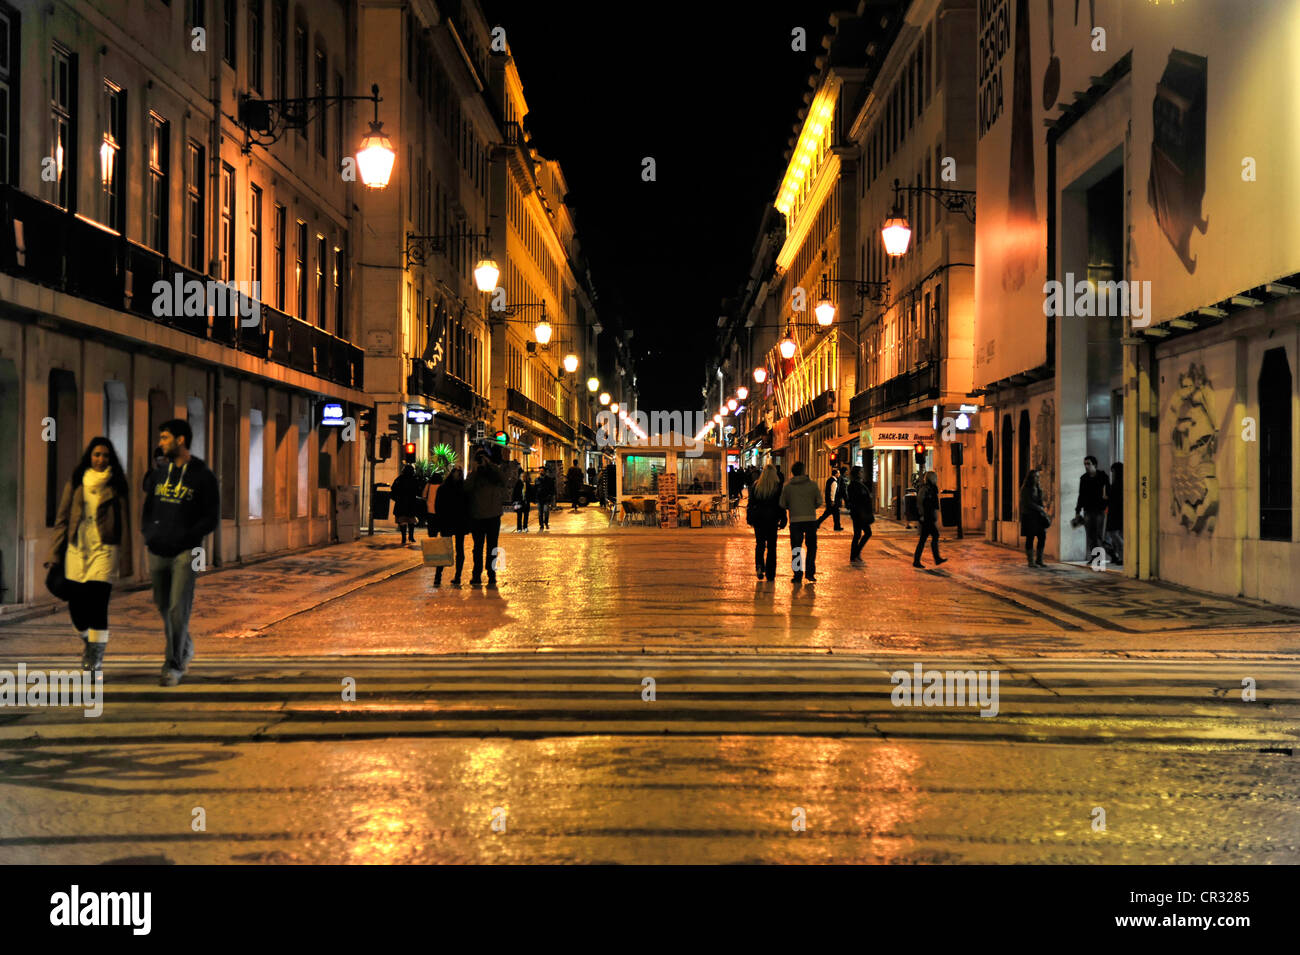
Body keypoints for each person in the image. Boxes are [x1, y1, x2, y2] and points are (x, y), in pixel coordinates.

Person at [141, 418, 220, 687]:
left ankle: (173, 665)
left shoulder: (202, 476)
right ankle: (184, 645)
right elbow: (149, 506)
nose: (160, 442)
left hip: (187, 552)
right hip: (157, 549)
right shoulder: (160, 473)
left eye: (164, 437)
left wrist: (188, 536)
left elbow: (211, 517)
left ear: (180, 440)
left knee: (177, 608)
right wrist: (149, 533)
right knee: (164, 606)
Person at [46, 437, 132, 672]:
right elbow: (62, 520)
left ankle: (95, 656)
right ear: (89, 457)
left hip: (105, 550)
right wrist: (55, 553)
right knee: (77, 608)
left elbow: (125, 524)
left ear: (110, 458)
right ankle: (88, 640)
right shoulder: (76, 482)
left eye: (105, 455)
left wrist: (126, 560)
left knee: (98, 603)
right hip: (77, 550)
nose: (101, 459)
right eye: (96, 455)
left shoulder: (116, 485)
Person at [465, 450, 506, 588]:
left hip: (492, 516)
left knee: (491, 547)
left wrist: (491, 465)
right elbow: (466, 488)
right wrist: (475, 471)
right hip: (478, 516)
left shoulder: (494, 475)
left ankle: (491, 573)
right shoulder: (474, 476)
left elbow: (503, 480)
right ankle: (477, 574)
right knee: (478, 547)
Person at [779, 460, 822, 583]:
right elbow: (819, 501)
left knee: (797, 548)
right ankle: (810, 572)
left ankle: (797, 574)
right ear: (804, 471)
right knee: (812, 547)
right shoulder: (813, 485)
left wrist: (791, 506)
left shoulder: (787, 486)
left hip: (795, 520)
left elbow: (782, 503)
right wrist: (810, 506)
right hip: (810, 520)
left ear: (793, 472)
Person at [747, 463, 786, 581]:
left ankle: (759, 566)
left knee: (760, 544)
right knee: (771, 547)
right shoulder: (778, 487)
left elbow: (751, 503)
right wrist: (783, 518)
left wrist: (750, 517)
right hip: (772, 520)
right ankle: (770, 573)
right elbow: (781, 505)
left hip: (758, 519)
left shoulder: (755, 486)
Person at [431, 468, 469, 587]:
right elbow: (468, 506)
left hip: (447, 522)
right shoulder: (463, 489)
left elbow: (437, 506)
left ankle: (439, 576)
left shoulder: (443, 488)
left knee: (445, 549)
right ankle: (457, 576)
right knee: (459, 549)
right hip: (458, 522)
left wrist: (439, 521)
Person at [1074, 455, 1110, 559]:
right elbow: (1081, 495)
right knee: (1090, 535)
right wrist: (1077, 510)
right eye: (1085, 464)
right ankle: (1095, 557)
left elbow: (1108, 492)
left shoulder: (1103, 476)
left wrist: (1106, 505)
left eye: (1088, 464)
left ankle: (1099, 558)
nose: (1086, 466)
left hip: (1100, 509)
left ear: (1094, 464)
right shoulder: (1084, 478)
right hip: (1088, 510)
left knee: (1098, 534)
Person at [912, 470, 947, 568]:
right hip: (926, 517)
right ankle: (936, 558)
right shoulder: (925, 489)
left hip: (929, 517)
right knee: (934, 535)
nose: (936, 479)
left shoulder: (932, 488)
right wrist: (922, 514)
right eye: (935, 477)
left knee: (924, 539)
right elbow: (920, 502)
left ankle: (917, 560)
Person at [1019, 468, 1050, 568]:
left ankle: (1039, 560)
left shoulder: (1038, 488)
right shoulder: (1025, 489)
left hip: (1038, 516)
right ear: (1031, 478)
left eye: (1038, 476)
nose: (1038, 478)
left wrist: (1042, 509)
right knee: (1030, 538)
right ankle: (1031, 561)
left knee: (1042, 536)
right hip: (1029, 516)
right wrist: (1040, 508)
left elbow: (1040, 501)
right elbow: (1028, 503)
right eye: (1036, 476)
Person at [846, 466, 875, 563]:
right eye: (861, 471)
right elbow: (856, 500)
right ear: (858, 473)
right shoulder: (854, 485)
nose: (863, 473)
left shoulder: (857, 484)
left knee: (858, 534)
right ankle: (855, 554)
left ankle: (854, 555)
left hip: (858, 513)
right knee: (866, 533)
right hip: (859, 514)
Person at [390, 463, 420, 545]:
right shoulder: (414, 479)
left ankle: (403, 538)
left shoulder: (399, 479)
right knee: (411, 521)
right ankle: (411, 537)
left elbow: (393, 489)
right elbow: (418, 490)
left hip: (401, 503)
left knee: (402, 521)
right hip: (411, 503)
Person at [1106, 462, 1124, 566]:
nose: (1112, 473)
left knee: (1114, 534)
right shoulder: (1120, 483)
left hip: (1115, 512)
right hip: (1117, 511)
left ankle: (1122, 556)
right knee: (1117, 534)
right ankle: (1120, 556)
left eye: (1113, 471)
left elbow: (1114, 498)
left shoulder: (1118, 484)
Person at [817, 466, 844, 531]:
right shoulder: (834, 482)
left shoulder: (829, 480)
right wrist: (832, 500)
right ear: (836, 474)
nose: (839, 474)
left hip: (829, 500)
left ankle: (817, 523)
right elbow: (833, 492)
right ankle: (836, 527)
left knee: (830, 514)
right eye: (838, 473)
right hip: (833, 502)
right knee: (834, 514)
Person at [421, 472, 443, 538]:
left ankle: (432, 536)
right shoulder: (442, 485)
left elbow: (424, 495)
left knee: (431, 525)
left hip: (430, 508)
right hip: (439, 509)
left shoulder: (429, 485)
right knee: (437, 525)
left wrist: (428, 500)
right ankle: (435, 535)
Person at [535, 465, 556, 531]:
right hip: (539, 499)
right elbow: (535, 489)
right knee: (540, 512)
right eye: (540, 471)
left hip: (546, 498)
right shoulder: (537, 480)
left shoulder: (549, 480)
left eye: (542, 471)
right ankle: (541, 525)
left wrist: (552, 497)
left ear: (545, 472)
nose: (541, 472)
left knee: (546, 511)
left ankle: (546, 522)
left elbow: (552, 489)